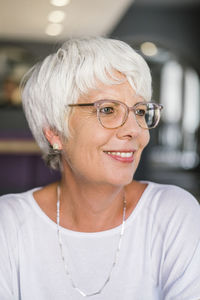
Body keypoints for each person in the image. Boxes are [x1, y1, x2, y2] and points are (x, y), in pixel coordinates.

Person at [0, 37, 200, 300]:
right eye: (107, 110)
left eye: (140, 111)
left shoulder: (174, 214)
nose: (134, 130)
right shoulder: (9, 224)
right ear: (55, 132)